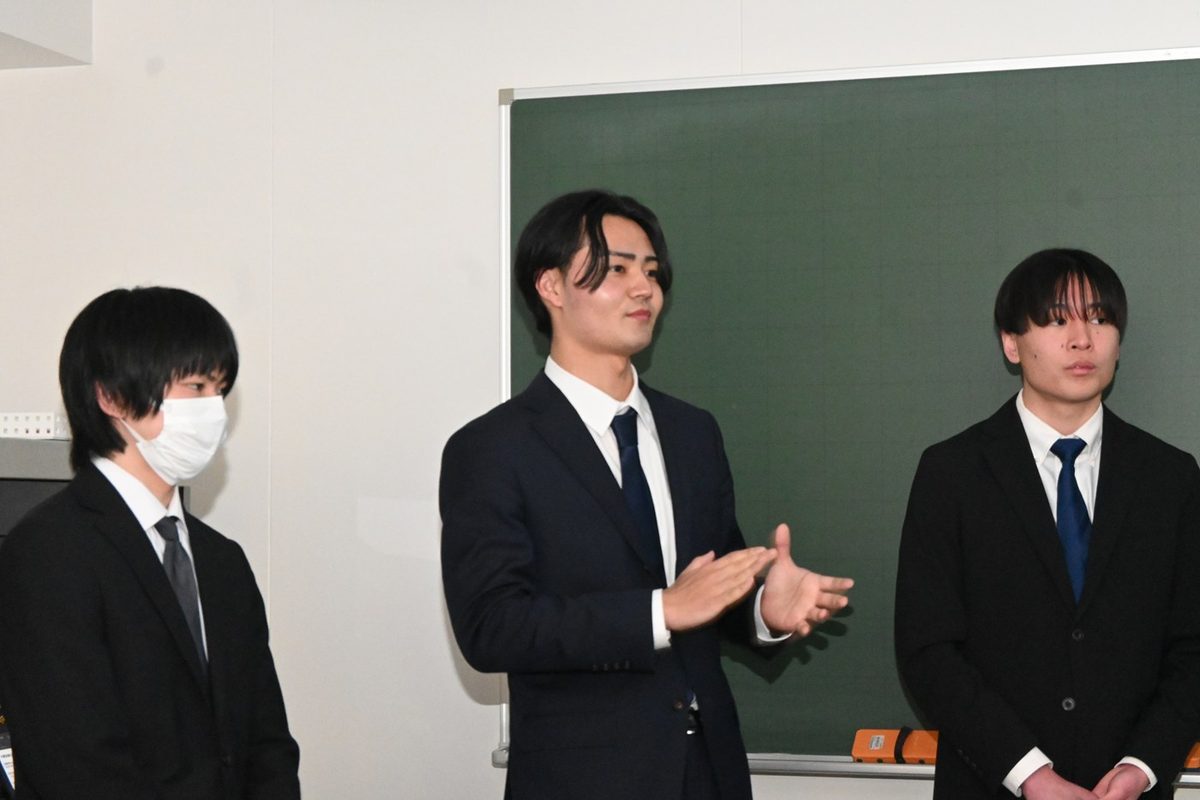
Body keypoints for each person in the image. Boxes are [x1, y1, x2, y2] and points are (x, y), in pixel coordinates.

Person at [440, 189, 854, 800]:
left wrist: (763, 609)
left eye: (653, 272)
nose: (645, 289)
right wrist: (658, 612)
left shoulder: (693, 433)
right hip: (582, 782)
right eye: (617, 269)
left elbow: (709, 589)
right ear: (551, 286)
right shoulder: (493, 448)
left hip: (709, 773)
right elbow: (491, 627)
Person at [895, 249, 1200, 800]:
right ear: (1011, 343)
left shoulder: (1170, 477)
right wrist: (1030, 774)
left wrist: (1142, 765)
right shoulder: (952, 472)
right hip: (993, 785)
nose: (1082, 340)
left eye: (1100, 319)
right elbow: (928, 650)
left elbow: (1194, 647)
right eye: (1057, 321)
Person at [0, 287, 301, 800]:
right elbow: (76, 766)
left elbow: (267, 742)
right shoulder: (46, 555)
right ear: (112, 396)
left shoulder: (222, 560)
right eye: (196, 386)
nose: (214, 411)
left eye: (220, 389)